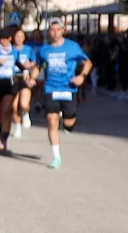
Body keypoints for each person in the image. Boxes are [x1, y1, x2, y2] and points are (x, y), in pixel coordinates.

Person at [37, 18, 91, 169]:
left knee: (69, 123)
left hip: (69, 89)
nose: (54, 33)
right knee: (51, 122)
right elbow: (37, 66)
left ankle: (67, 123)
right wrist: (32, 76)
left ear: (63, 31)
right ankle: (56, 157)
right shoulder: (44, 50)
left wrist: (82, 76)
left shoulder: (73, 47)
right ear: (49, 32)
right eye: (52, 30)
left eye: (57, 30)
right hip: (51, 89)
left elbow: (87, 62)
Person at [13, 27, 36, 137]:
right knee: (14, 106)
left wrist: (30, 64)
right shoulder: (10, 49)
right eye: (17, 36)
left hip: (25, 77)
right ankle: (17, 127)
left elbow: (35, 62)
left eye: (22, 36)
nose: (19, 39)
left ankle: (25, 113)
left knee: (23, 104)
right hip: (13, 78)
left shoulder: (28, 49)